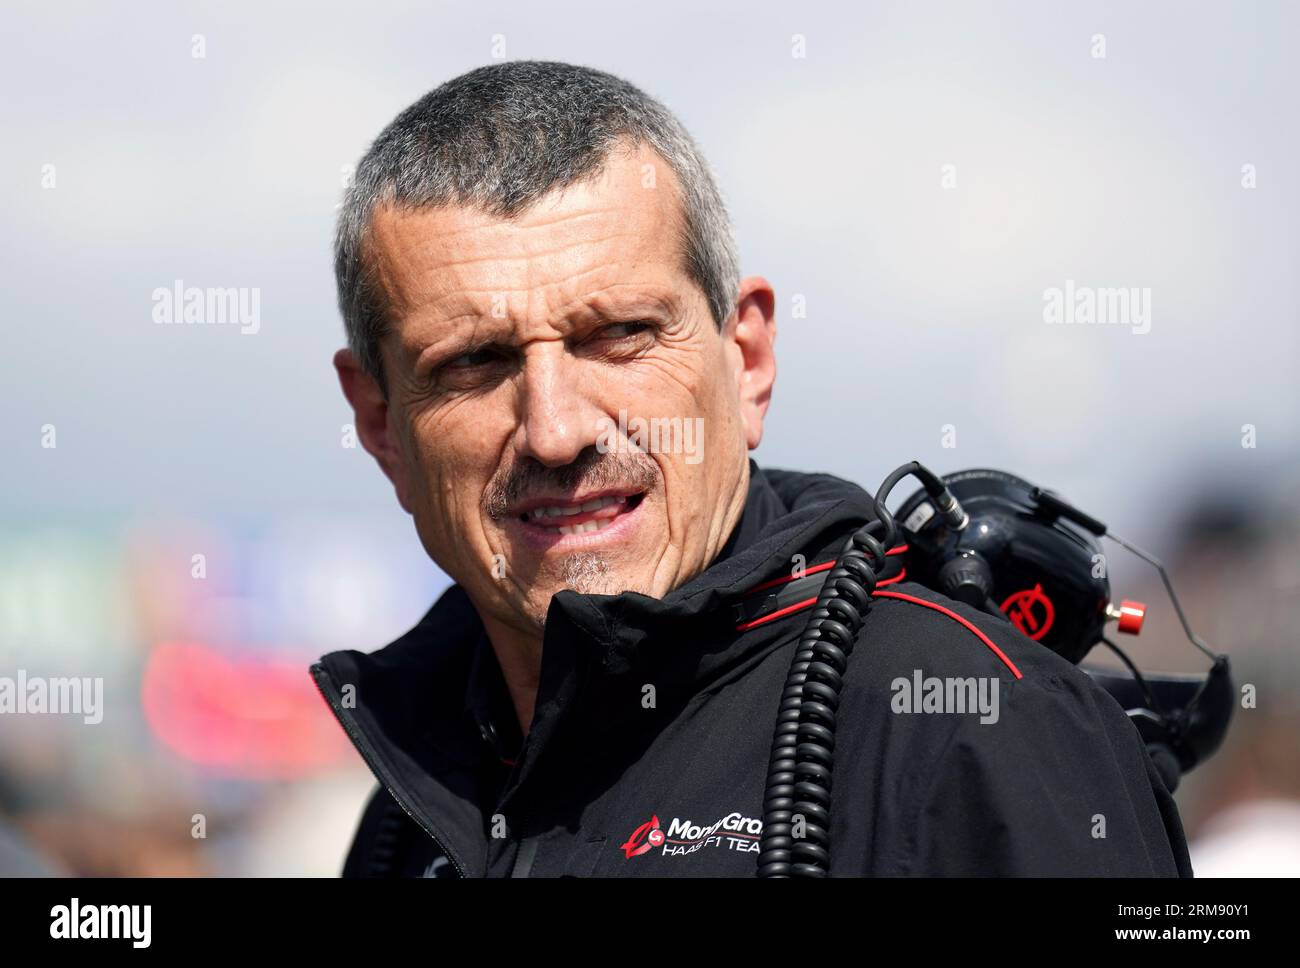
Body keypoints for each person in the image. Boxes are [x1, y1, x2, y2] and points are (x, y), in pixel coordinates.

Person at [313, 60, 1191, 877]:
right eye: (473, 362)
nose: (555, 432)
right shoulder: (413, 795)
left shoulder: (978, 730)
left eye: (620, 335)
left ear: (748, 361)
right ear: (379, 421)